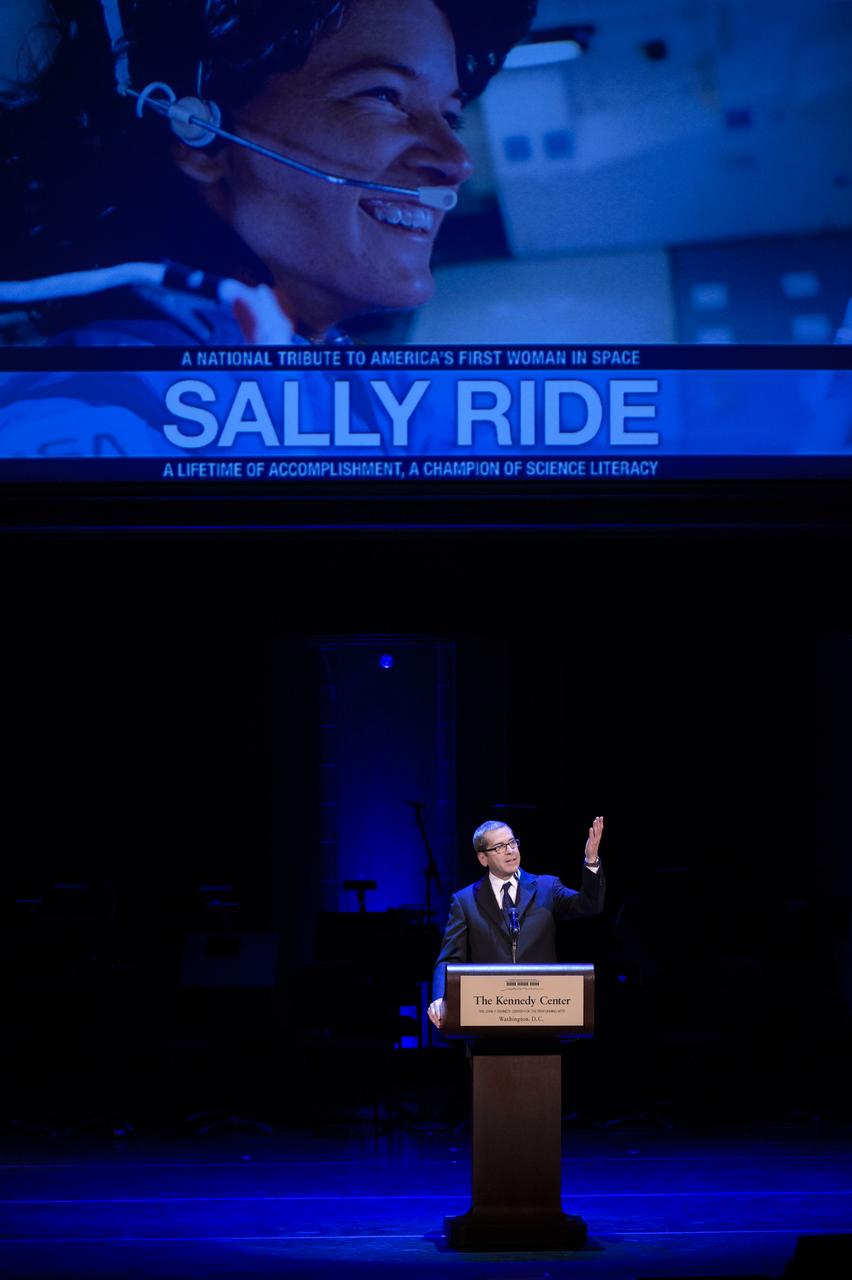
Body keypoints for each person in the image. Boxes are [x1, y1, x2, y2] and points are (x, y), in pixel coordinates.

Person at [0, 0, 537, 346]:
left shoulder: (297, 349)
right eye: (383, 95)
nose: (457, 161)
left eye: (449, 114)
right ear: (200, 135)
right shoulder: (110, 407)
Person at [428, 816, 605, 1030]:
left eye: (512, 842)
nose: (511, 850)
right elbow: (449, 958)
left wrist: (591, 860)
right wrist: (439, 998)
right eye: (500, 847)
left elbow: (589, 905)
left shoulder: (547, 887)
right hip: (487, 1016)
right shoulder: (465, 901)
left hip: (542, 1013)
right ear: (483, 858)